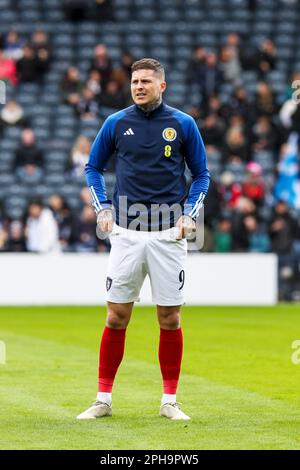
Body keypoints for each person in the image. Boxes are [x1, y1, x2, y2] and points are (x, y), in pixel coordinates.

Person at [77, 58, 210, 421]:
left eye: (146, 81)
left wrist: (189, 214)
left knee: (169, 318)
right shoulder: (115, 123)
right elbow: (92, 167)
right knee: (116, 315)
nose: (138, 86)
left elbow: (201, 175)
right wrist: (102, 206)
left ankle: (170, 400)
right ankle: (103, 398)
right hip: (126, 233)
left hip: (169, 235)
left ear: (161, 86)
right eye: (135, 81)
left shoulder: (183, 124)